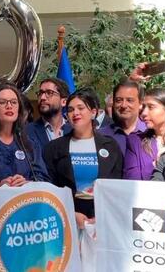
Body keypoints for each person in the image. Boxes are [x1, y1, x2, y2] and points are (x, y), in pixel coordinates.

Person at [43, 88, 123, 229]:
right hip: (67, 219)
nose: (75, 113)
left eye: (81, 108)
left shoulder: (110, 146)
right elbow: (49, 188)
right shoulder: (54, 148)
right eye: (71, 110)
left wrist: (103, 214)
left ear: (93, 112)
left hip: (104, 219)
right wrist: (69, 213)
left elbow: (117, 185)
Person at [124, 88, 165, 180]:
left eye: (151, 107)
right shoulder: (135, 141)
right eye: (144, 107)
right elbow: (132, 181)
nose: (144, 113)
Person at [98, 78, 147, 155]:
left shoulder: (150, 134)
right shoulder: (100, 136)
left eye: (130, 100)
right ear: (113, 103)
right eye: (119, 100)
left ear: (141, 104)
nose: (124, 105)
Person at [27, 78, 72, 151]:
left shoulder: (74, 130)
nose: (42, 98)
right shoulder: (27, 132)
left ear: (63, 102)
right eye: (40, 93)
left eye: (49, 93)